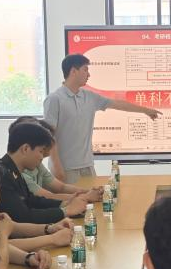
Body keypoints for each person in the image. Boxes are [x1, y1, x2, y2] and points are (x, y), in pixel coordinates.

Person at [44, 54, 160, 184]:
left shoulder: (89, 97)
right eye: (85, 69)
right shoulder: (54, 99)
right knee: (70, 198)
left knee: (93, 197)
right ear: (73, 71)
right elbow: (48, 136)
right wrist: (56, 167)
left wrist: (146, 110)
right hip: (65, 169)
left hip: (87, 166)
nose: (88, 74)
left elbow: (118, 104)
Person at [0, 122, 87, 223]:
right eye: (41, 151)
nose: (41, 157)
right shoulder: (3, 175)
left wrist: (64, 204)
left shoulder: (13, 170)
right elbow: (23, 216)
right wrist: (65, 211)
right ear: (26, 149)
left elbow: (32, 201)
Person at [11, 117, 104, 204]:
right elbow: (50, 197)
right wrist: (87, 197)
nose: (52, 142)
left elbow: (61, 187)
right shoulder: (19, 173)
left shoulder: (37, 165)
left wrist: (90, 192)